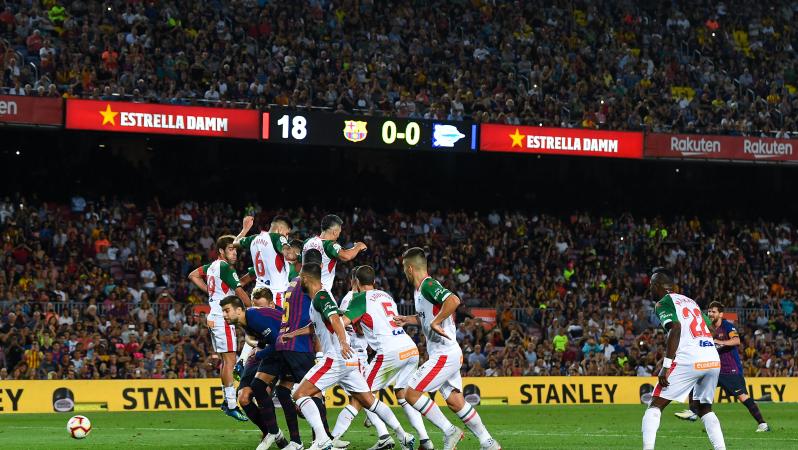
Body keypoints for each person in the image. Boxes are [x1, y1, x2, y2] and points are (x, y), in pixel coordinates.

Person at [280, 262, 416, 450]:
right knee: (369, 401)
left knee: (300, 394)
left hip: (336, 357)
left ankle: (322, 439)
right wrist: (293, 334)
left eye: (299, 278)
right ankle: (404, 435)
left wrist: (343, 342)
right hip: (349, 361)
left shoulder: (321, 296)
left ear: (305, 279)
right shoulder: (318, 299)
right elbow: (318, 326)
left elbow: (336, 319)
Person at [394, 247, 501, 450]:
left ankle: (450, 431)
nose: (403, 272)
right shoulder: (419, 291)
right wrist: (408, 320)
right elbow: (427, 317)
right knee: (455, 402)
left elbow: (453, 301)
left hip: (444, 353)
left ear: (410, 268)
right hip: (447, 353)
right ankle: (488, 442)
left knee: (411, 393)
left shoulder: (428, 285)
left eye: (403, 268)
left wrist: (437, 322)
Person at [335, 265, 434, 450]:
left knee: (360, 395)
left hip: (389, 351)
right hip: (409, 347)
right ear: (374, 281)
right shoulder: (385, 295)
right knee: (403, 394)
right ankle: (425, 440)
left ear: (355, 282)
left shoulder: (358, 298)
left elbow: (345, 324)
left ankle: (332, 440)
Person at [642, 268, 725, 450]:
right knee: (705, 409)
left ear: (658, 286)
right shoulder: (690, 301)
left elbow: (676, 328)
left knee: (655, 404)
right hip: (711, 357)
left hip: (690, 358)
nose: (649, 290)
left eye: (650, 286)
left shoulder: (663, 303)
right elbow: (711, 329)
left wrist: (666, 365)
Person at [254, 249, 330, 450]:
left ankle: (296, 441)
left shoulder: (292, 282)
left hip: (285, 343)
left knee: (283, 390)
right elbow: (320, 320)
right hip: (300, 346)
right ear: (319, 267)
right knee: (314, 393)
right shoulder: (313, 285)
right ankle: (323, 439)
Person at [674, 301, 769, 432]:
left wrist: (719, 341)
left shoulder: (727, 326)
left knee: (742, 396)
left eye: (714, 312)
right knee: (696, 383)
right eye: (709, 311)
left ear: (721, 314)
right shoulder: (706, 328)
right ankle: (693, 412)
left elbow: (736, 340)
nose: (710, 314)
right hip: (713, 368)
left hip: (730, 369)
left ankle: (762, 424)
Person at [187, 235, 251, 421]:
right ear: (222, 251)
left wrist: (210, 292)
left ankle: (228, 401)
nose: (235, 253)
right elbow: (239, 291)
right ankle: (231, 404)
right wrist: (254, 309)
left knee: (226, 360)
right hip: (223, 317)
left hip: (214, 315)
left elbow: (192, 275)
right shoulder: (224, 267)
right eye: (231, 249)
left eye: (236, 249)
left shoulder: (213, 266)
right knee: (230, 361)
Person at [221, 290, 289, 449]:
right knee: (243, 398)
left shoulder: (270, 314)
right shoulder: (244, 319)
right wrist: (256, 347)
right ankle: (273, 433)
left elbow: (279, 342)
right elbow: (255, 337)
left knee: (263, 391)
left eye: (226, 311)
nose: (224, 315)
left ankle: (304, 438)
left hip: (275, 355)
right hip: (261, 354)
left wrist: (260, 352)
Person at [233, 215, 295, 379]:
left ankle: (242, 361)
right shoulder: (278, 237)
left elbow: (236, 243)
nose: (286, 237)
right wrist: (296, 253)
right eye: (287, 234)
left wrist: (245, 229)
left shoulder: (254, 239)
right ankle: (281, 374)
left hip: (258, 292)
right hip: (275, 294)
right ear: (281, 230)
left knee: (258, 332)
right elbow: (289, 254)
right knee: (282, 333)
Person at [302, 214, 367, 295]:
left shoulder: (307, 242)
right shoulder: (329, 245)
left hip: (303, 288)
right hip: (319, 292)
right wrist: (358, 246)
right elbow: (346, 256)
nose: (339, 235)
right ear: (334, 232)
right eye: (339, 232)